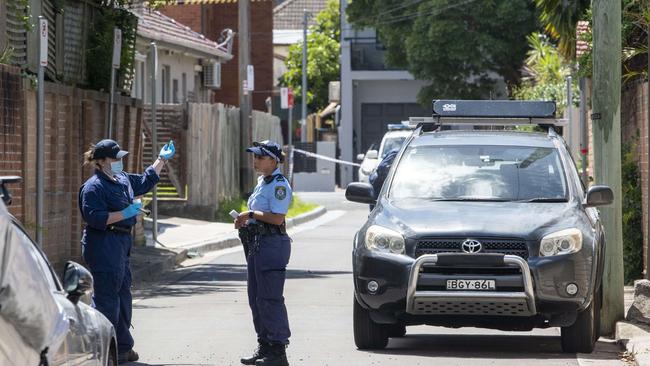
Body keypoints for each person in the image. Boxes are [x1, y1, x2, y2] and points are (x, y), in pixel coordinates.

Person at [79, 139, 175, 364]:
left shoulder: (121, 179)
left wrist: (161, 159)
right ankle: (104, 350)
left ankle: (123, 346)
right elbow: (94, 217)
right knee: (107, 300)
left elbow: (144, 181)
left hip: (121, 243)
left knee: (123, 296)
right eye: (115, 158)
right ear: (101, 161)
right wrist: (126, 212)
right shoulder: (94, 187)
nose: (120, 161)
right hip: (104, 243)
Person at [236, 140, 292, 366]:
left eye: (260, 157)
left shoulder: (279, 184)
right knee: (256, 298)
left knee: (270, 298)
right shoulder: (262, 182)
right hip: (257, 243)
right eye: (255, 156)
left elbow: (277, 217)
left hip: (272, 244)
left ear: (273, 160)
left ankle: (278, 351)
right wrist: (246, 221)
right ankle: (265, 345)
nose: (255, 160)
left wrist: (251, 214)